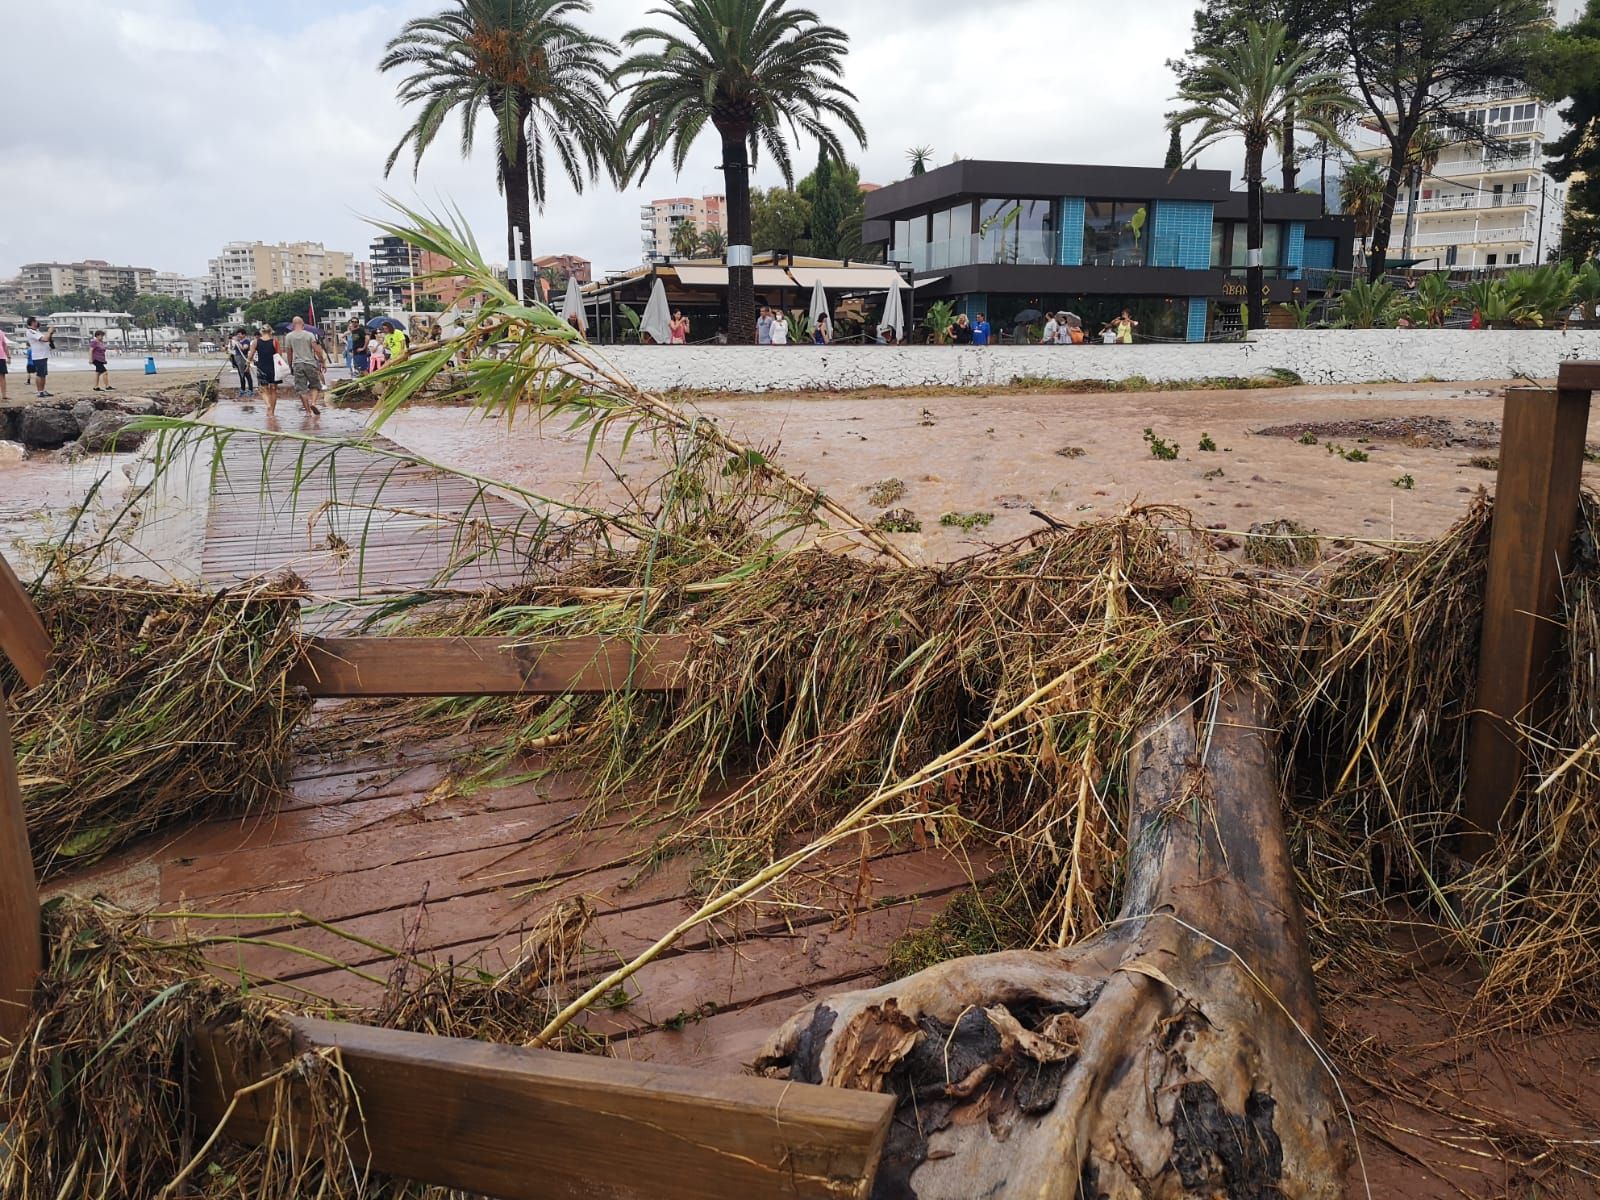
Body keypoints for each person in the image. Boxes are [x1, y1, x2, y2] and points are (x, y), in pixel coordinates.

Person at [283, 316, 326, 415]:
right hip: (310, 363)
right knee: (315, 385)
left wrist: (290, 365)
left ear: (293, 325)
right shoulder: (310, 335)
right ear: (303, 325)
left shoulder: (289, 336)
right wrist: (322, 361)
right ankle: (314, 403)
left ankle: (307, 412)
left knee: (301, 389)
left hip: (297, 364)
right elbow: (317, 350)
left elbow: (289, 352)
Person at [253, 324, 280, 415]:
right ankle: (272, 411)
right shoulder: (274, 341)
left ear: (261, 332)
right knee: (273, 390)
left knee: (263, 389)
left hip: (261, 367)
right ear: (270, 331)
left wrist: (248, 363)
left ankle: (268, 404)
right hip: (273, 368)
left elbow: (251, 354)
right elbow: (279, 355)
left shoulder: (256, 342)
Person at [23, 317, 52, 397]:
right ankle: (39, 391)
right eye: (36, 321)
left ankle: (42, 390)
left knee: (43, 374)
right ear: (32, 322)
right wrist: (49, 332)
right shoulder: (30, 332)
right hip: (38, 356)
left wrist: (51, 334)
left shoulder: (37, 331)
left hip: (44, 355)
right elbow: (45, 339)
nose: (38, 323)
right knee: (39, 374)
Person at [230, 329, 255, 395]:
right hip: (237, 359)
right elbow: (231, 349)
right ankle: (242, 389)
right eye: (237, 334)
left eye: (239, 334)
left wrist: (237, 342)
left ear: (244, 334)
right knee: (241, 374)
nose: (238, 335)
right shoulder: (237, 342)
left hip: (243, 359)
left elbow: (243, 348)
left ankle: (250, 389)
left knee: (247, 374)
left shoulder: (246, 341)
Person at [0, 326, 9, 403]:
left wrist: (8, 356)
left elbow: (4, 345)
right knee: (2, 377)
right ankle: (4, 395)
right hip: (1, 356)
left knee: (2, 376)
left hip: (1, 356)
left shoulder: (1, 332)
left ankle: (4, 395)